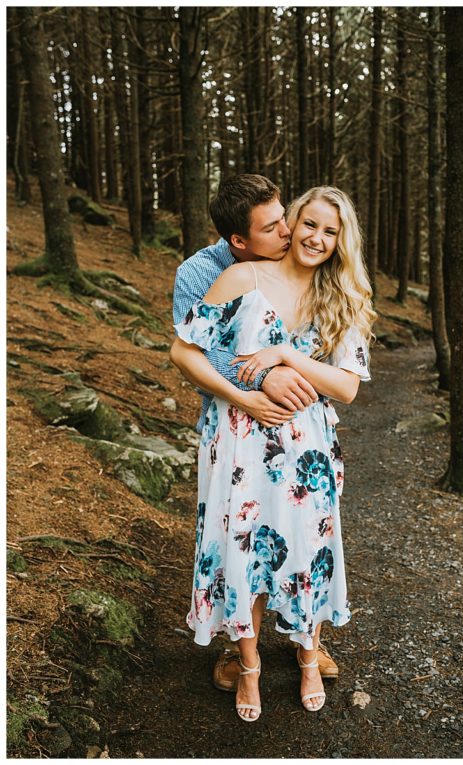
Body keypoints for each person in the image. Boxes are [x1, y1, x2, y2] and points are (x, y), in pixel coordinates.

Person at [174, 185, 375, 720]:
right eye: (308, 224)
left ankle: (309, 657)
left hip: (306, 448)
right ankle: (249, 666)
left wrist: (286, 353)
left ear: (341, 240)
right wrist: (244, 397)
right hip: (237, 439)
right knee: (242, 551)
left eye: (330, 231)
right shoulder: (242, 277)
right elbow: (183, 349)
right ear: (292, 223)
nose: (313, 237)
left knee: (307, 547)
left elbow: (348, 387)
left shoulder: (342, 295)